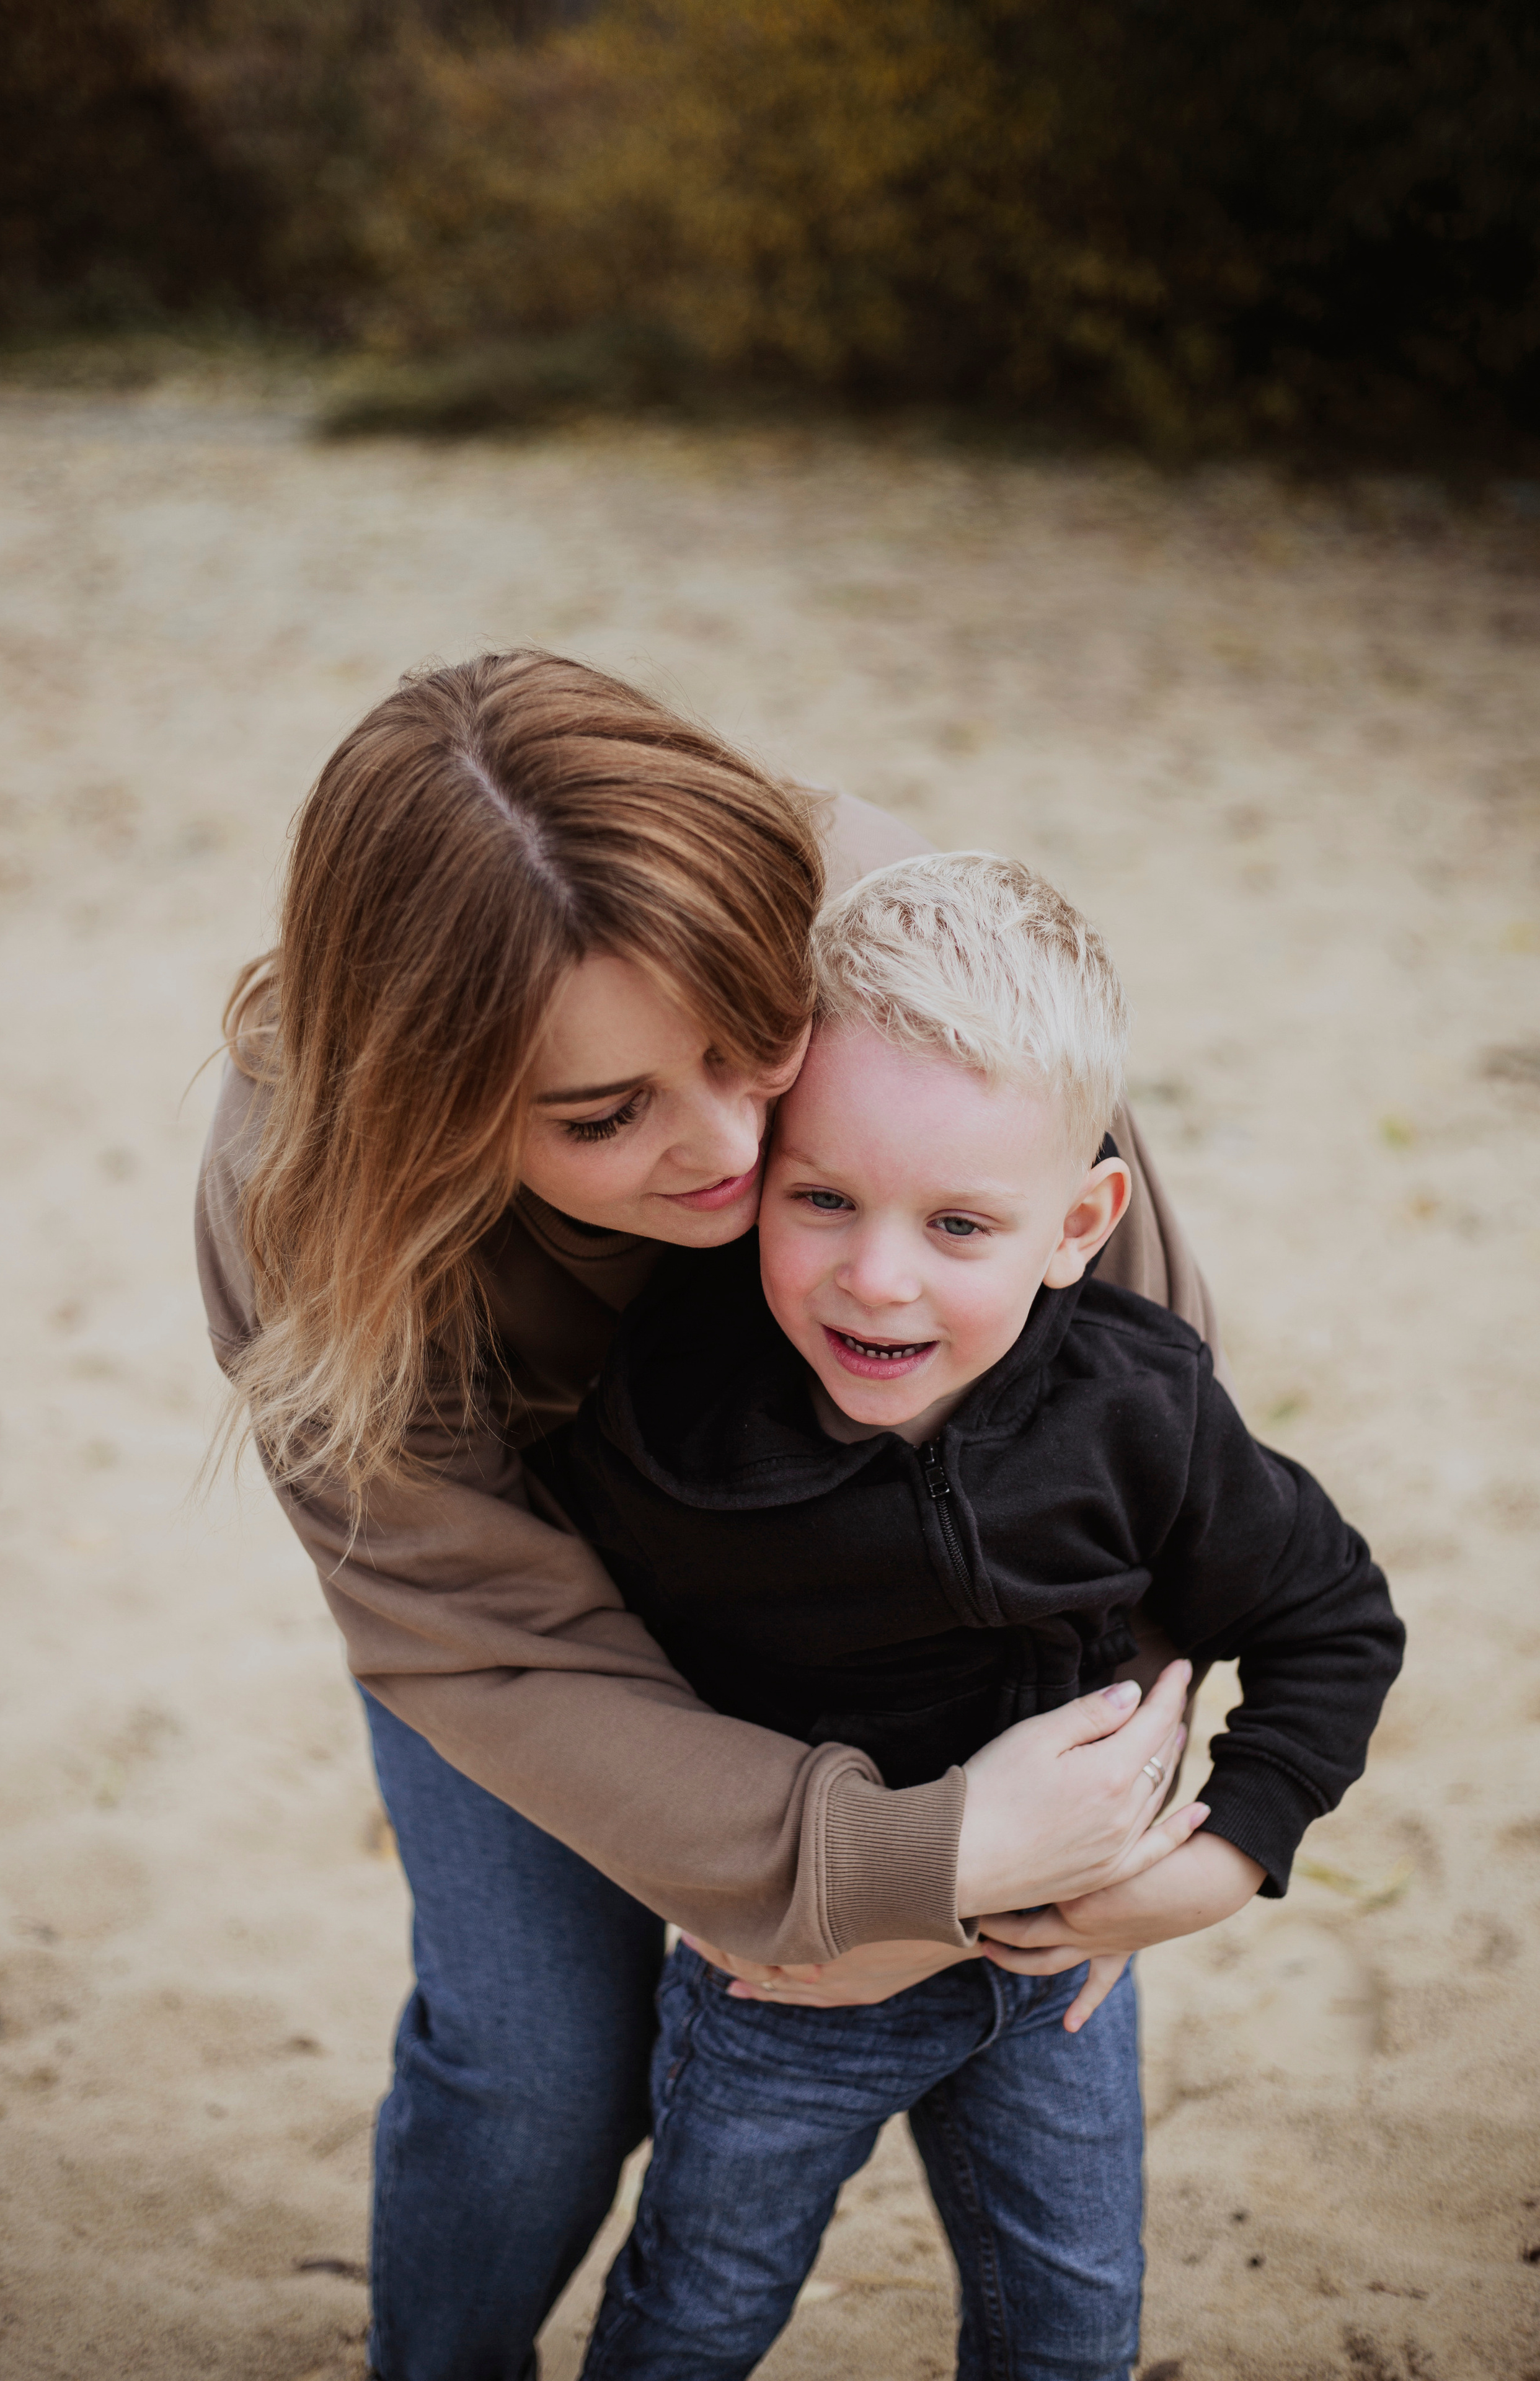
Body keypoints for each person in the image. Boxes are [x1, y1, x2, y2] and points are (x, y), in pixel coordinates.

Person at [197, 653, 1223, 2381]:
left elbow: (1141, 1362)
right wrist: (888, 1866)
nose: (734, 1144)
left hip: (890, 1573)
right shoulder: (294, 1186)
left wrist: (1134, 1759)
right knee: (535, 2068)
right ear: (426, 1107)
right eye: (606, 1116)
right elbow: (480, 1630)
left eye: (758, 1045)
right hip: (533, 1613)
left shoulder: (899, 927)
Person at [534, 853, 1405, 2381]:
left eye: (959, 1227)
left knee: (1071, 2320)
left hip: (1055, 1971)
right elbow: (582, 1686)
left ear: (1079, 1223)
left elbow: (1329, 1613)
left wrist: (1219, 1859)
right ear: (756, 1173)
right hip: (791, 1984)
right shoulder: (668, 1418)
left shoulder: (1139, 1411)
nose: (875, 1281)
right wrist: (738, 1874)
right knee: (696, 2307)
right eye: (821, 1200)